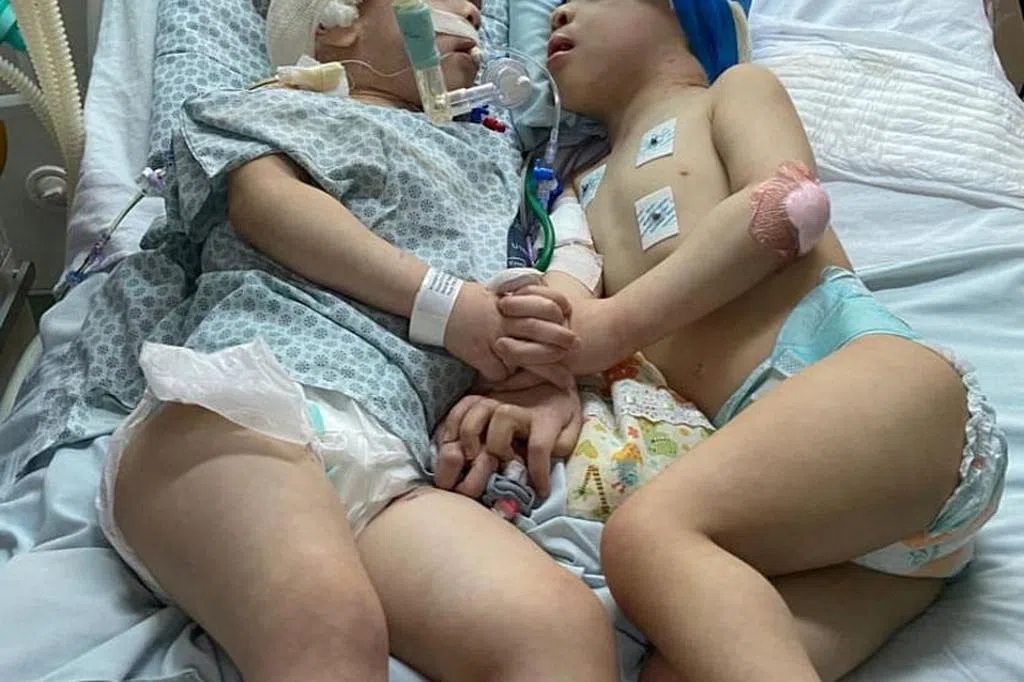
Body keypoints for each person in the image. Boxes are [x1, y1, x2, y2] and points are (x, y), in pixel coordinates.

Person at [445, 1, 1009, 681]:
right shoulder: (573, 188)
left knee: (650, 538)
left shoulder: (729, 93)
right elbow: (569, 304)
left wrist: (614, 327)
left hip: (879, 389)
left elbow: (789, 205)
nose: (558, 12)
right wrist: (534, 376)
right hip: (862, 536)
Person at [70, 1, 626, 681]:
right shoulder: (277, 106)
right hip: (243, 410)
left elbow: (538, 282)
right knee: (331, 630)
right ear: (336, 23)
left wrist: (540, 371)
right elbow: (268, 208)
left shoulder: (494, 158)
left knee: (560, 629)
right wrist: (445, 304)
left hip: (390, 462)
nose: (475, 12)